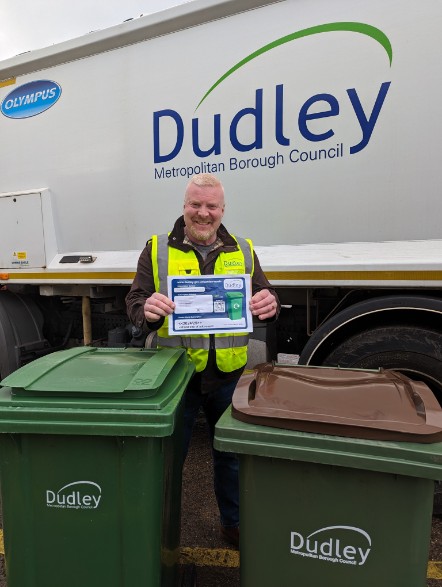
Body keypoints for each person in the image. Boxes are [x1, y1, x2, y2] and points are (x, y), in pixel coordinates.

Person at [125, 173, 279, 548]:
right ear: (184, 207)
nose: (203, 213)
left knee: (230, 457)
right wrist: (147, 310)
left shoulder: (242, 249)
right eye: (196, 204)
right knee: (166, 460)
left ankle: (234, 524)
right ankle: (160, 529)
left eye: (211, 206)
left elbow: (265, 295)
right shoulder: (157, 248)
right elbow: (134, 301)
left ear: (222, 210)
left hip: (228, 375)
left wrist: (270, 304)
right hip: (176, 376)